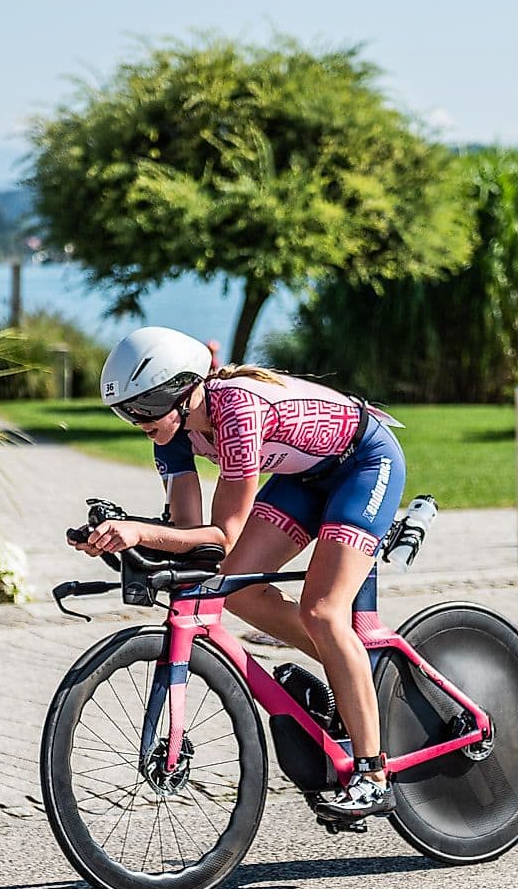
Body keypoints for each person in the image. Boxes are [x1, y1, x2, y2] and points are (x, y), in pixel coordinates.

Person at [72, 326, 407, 820]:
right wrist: (119, 536)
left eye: (142, 408)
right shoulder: (170, 433)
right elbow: (192, 536)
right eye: (126, 411)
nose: (135, 421)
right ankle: (352, 675)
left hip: (364, 464)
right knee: (238, 589)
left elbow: (222, 534)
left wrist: (141, 532)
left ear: (181, 392)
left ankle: (373, 776)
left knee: (322, 610)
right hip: (305, 479)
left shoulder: (236, 411)